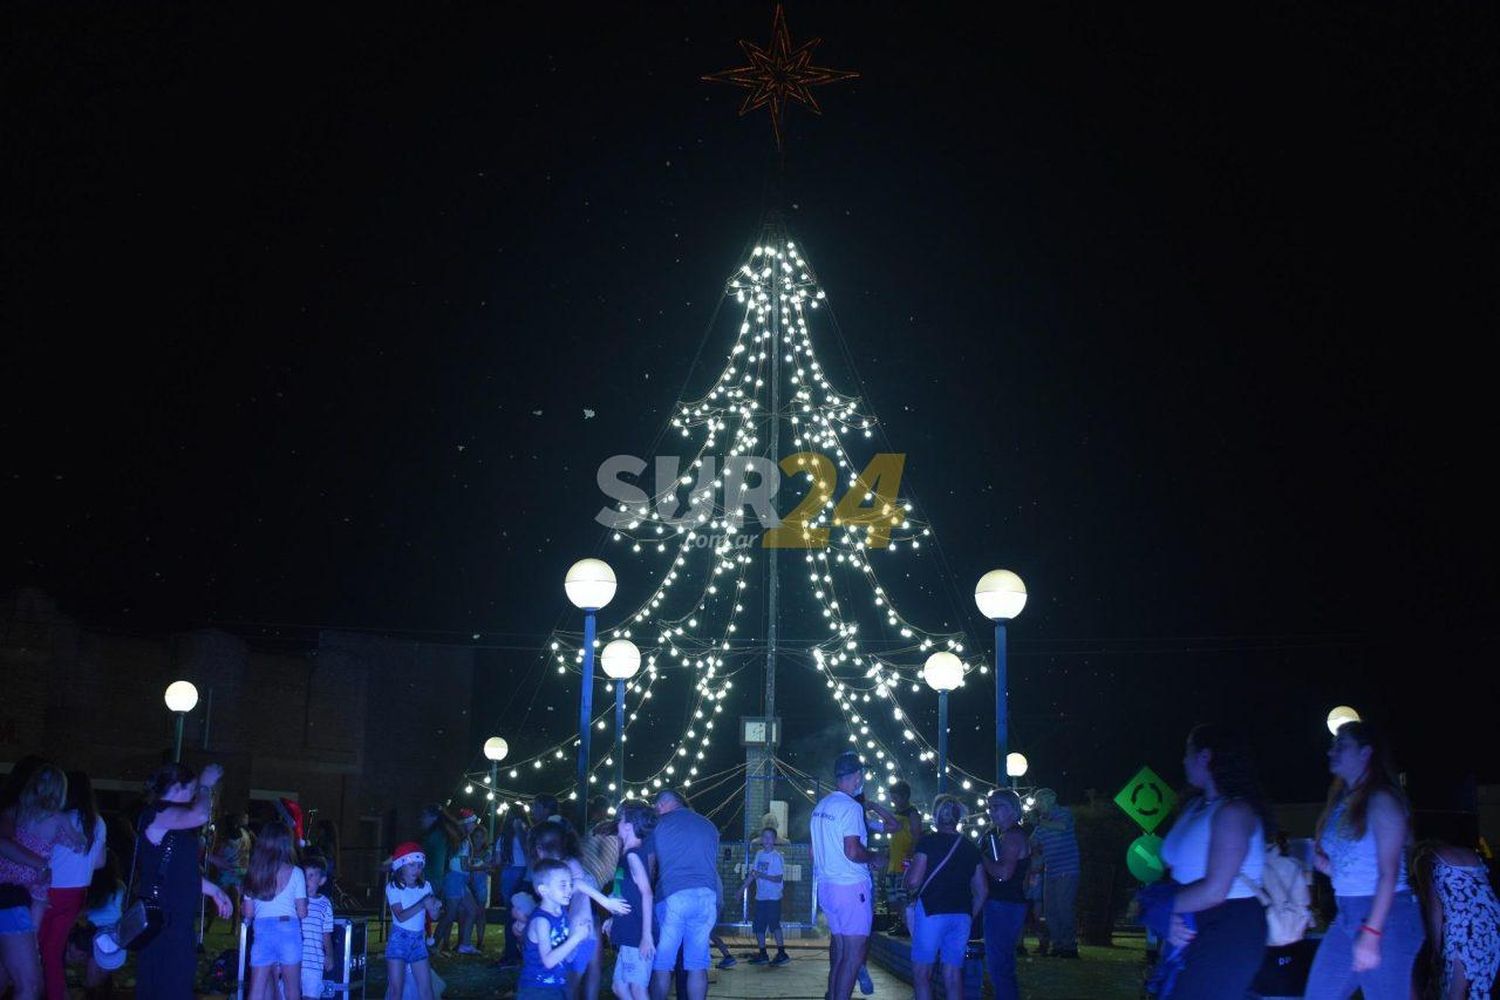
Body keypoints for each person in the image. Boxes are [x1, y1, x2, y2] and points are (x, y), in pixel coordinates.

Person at [1303, 720, 1425, 1000]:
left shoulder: (1382, 800)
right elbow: (1356, 868)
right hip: (1348, 914)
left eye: (1341, 745)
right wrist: (1326, 866)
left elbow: (1389, 872)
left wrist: (1371, 933)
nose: (1330, 751)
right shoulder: (1343, 803)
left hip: (1386, 916)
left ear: (1366, 753)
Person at [1157, 724, 1271, 999]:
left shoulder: (1235, 811)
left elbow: (1215, 890)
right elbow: (1177, 872)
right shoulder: (1194, 807)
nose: (1183, 760)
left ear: (1206, 756)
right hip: (1191, 922)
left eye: (1188, 752)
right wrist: (1168, 913)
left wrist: (1158, 906)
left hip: (1229, 928)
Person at [134, 762, 234, 999]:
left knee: (175, 983)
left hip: (175, 919)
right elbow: (200, 814)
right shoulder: (157, 814)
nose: (194, 795)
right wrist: (206, 784)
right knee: (169, 985)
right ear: (177, 787)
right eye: (191, 789)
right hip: (163, 920)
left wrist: (214, 891)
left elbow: (179, 871)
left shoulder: (174, 823)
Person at [0, 763, 84, 1000]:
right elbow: (77, 843)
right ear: (60, 791)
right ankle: (32, 948)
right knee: (30, 984)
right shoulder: (59, 818)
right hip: (25, 890)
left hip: (6, 880)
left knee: (6, 973)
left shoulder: (16, 812)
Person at [812, 752, 885, 1000]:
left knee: (841, 954)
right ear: (857, 776)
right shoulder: (851, 807)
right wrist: (874, 857)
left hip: (827, 887)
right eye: (861, 775)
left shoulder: (820, 807)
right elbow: (853, 851)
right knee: (854, 957)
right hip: (851, 888)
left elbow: (814, 852)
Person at [905, 794, 985, 1000]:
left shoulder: (927, 842)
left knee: (922, 974)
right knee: (953, 974)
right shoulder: (970, 847)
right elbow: (982, 890)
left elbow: (914, 881)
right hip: (961, 916)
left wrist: (907, 879)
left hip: (932, 912)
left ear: (935, 816)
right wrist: (969, 914)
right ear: (958, 818)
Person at [646, 788, 722, 1000]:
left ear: (661, 805)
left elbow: (650, 867)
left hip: (673, 897)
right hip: (706, 898)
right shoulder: (709, 825)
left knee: (662, 966)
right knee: (697, 966)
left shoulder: (659, 825)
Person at [39, 769, 105, 1000]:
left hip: (47, 889)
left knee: (36, 947)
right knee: (53, 950)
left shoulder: (55, 817)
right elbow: (99, 863)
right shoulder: (97, 822)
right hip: (76, 893)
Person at [1415, 839, 1500, 999]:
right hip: (1493, 917)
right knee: (1479, 981)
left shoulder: (1425, 859)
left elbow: (1435, 907)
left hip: (1464, 923)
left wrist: (1436, 949)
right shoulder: (1468, 852)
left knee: (1453, 990)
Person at [243, 819, 308, 1000]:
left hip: (262, 930)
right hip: (288, 928)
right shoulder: (296, 873)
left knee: (256, 988)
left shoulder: (253, 872)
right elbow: (302, 912)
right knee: (292, 989)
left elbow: (248, 913)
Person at [979, 788, 1030, 999]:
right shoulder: (1010, 834)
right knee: (1003, 965)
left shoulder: (1012, 836)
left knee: (999, 967)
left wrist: (981, 857)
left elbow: (1003, 873)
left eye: (996, 807)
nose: (991, 812)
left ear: (1012, 809)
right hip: (1009, 904)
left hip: (1004, 905)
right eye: (990, 807)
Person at [520, 859, 593, 1000]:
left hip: (558, 985)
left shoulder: (562, 913)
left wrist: (578, 937)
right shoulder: (541, 921)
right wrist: (576, 938)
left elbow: (566, 954)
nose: (569, 890)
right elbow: (548, 961)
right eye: (563, 885)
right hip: (537, 990)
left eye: (570, 884)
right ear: (543, 890)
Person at [385, 842, 442, 1000]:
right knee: (396, 990)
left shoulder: (425, 887)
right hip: (398, 942)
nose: (416, 869)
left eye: (419, 865)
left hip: (418, 941)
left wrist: (435, 906)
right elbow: (401, 917)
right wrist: (423, 903)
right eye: (411, 865)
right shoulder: (393, 888)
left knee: (426, 989)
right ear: (400, 867)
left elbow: (434, 916)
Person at [610, 801, 656, 1000]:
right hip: (628, 929)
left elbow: (647, 893)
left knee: (637, 988)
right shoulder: (627, 856)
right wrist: (614, 918)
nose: (616, 824)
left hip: (636, 934)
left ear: (628, 825)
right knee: (619, 986)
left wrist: (646, 936)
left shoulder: (633, 856)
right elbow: (626, 894)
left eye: (618, 820)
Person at [1029, 787, 1081, 958]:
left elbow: (1062, 826)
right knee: (1051, 910)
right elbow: (1032, 842)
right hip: (1050, 871)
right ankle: (1058, 945)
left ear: (1052, 798)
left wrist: (1037, 823)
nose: (1038, 804)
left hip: (1067, 869)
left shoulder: (1063, 813)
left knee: (1064, 907)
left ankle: (1069, 946)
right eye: (1037, 801)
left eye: (1041, 800)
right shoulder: (1042, 822)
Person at [741, 826, 790, 966]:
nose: (766, 840)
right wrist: (741, 889)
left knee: (774, 925)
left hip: (773, 897)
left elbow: (778, 878)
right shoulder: (759, 854)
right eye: (764, 837)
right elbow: (753, 874)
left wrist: (762, 875)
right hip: (761, 896)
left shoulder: (777, 857)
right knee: (759, 926)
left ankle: (782, 953)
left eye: (770, 837)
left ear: (774, 840)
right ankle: (763, 954)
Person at [494, 810, 532, 970]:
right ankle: (520, 951)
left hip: (507, 873)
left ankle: (511, 953)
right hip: (524, 872)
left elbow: (497, 861)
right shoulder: (526, 834)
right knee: (524, 914)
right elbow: (529, 854)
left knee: (510, 915)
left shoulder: (503, 838)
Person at [883, 781, 923, 933]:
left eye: (896, 797)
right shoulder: (895, 814)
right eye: (892, 797)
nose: (893, 800)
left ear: (905, 796)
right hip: (893, 863)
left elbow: (917, 838)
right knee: (893, 899)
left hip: (905, 864)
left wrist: (911, 857)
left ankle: (909, 926)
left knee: (903, 897)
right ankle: (903, 923)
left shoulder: (912, 814)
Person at [301, 853, 336, 1000]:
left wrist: (329, 955)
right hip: (293, 960)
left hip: (314, 962)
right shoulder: (294, 901)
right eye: (304, 875)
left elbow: (326, 933)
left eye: (311, 876)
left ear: (321, 880)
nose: (306, 880)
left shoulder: (325, 904)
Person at [467, 822, 493, 951]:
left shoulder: (486, 853)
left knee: (480, 913)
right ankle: (465, 940)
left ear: (484, 838)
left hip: (481, 886)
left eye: (481, 837)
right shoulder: (468, 851)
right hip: (468, 885)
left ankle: (480, 940)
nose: (478, 839)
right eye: (476, 836)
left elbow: (490, 868)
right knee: (468, 913)